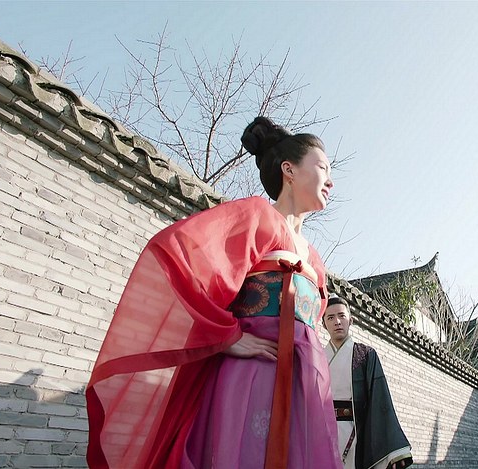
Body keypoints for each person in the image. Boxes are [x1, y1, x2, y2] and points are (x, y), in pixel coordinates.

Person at [86, 117, 341, 469]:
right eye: (323, 167)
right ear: (289, 170)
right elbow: (180, 254)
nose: (331, 181)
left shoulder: (315, 258)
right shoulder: (256, 216)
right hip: (252, 373)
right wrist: (229, 337)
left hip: (304, 387)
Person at [322, 295, 414, 469]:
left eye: (342, 316)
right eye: (330, 317)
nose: (337, 322)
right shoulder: (317, 357)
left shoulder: (365, 355)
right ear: (324, 324)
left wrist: (393, 451)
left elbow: (381, 400)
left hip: (356, 432)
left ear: (351, 320)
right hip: (321, 430)